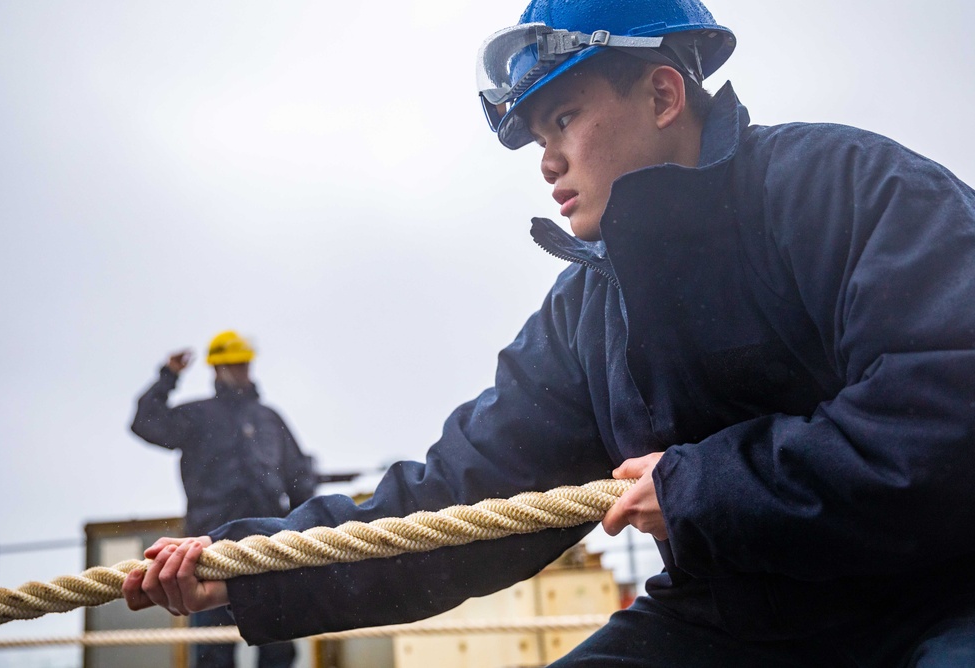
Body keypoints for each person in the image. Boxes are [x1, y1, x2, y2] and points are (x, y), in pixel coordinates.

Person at [123, 0, 975, 664]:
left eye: (562, 118)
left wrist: (705, 486)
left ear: (664, 93)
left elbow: (948, 406)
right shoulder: (586, 317)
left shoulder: (846, 187)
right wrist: (246, 567)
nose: (546, 163)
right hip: (746, 625)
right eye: (535, 136)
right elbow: (457, 501)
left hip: (946, 589)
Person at [130, 330, 316, 668]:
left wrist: (300, 536)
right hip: (208, 549)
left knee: (278, 649)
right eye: (233, 364)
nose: (241, 370)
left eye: (244, 364)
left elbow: (299, 480)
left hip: (268, 548)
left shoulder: (269, 420)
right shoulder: (198, 416)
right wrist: (167, 376)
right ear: (216, 368)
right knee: (212, 651)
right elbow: (146, 423)